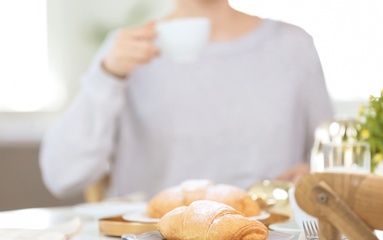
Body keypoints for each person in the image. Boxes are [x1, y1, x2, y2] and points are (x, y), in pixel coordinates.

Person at [39, 0, 334, 200]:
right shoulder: (125, 51)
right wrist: (107, 76)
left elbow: (332, 162)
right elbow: (62, 175)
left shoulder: (294, 47)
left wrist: (314, 174)